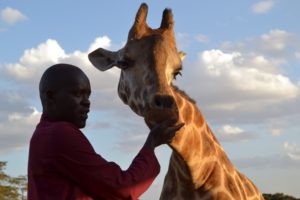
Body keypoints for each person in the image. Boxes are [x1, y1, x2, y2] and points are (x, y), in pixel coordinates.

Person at [27, 63, 184, 200]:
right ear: (50, 97)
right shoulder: (59, 134)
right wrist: (151, 144)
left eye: (87, 95)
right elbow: (123, 188)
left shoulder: (44, 134)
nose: (86, 102)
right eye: (77, 94)